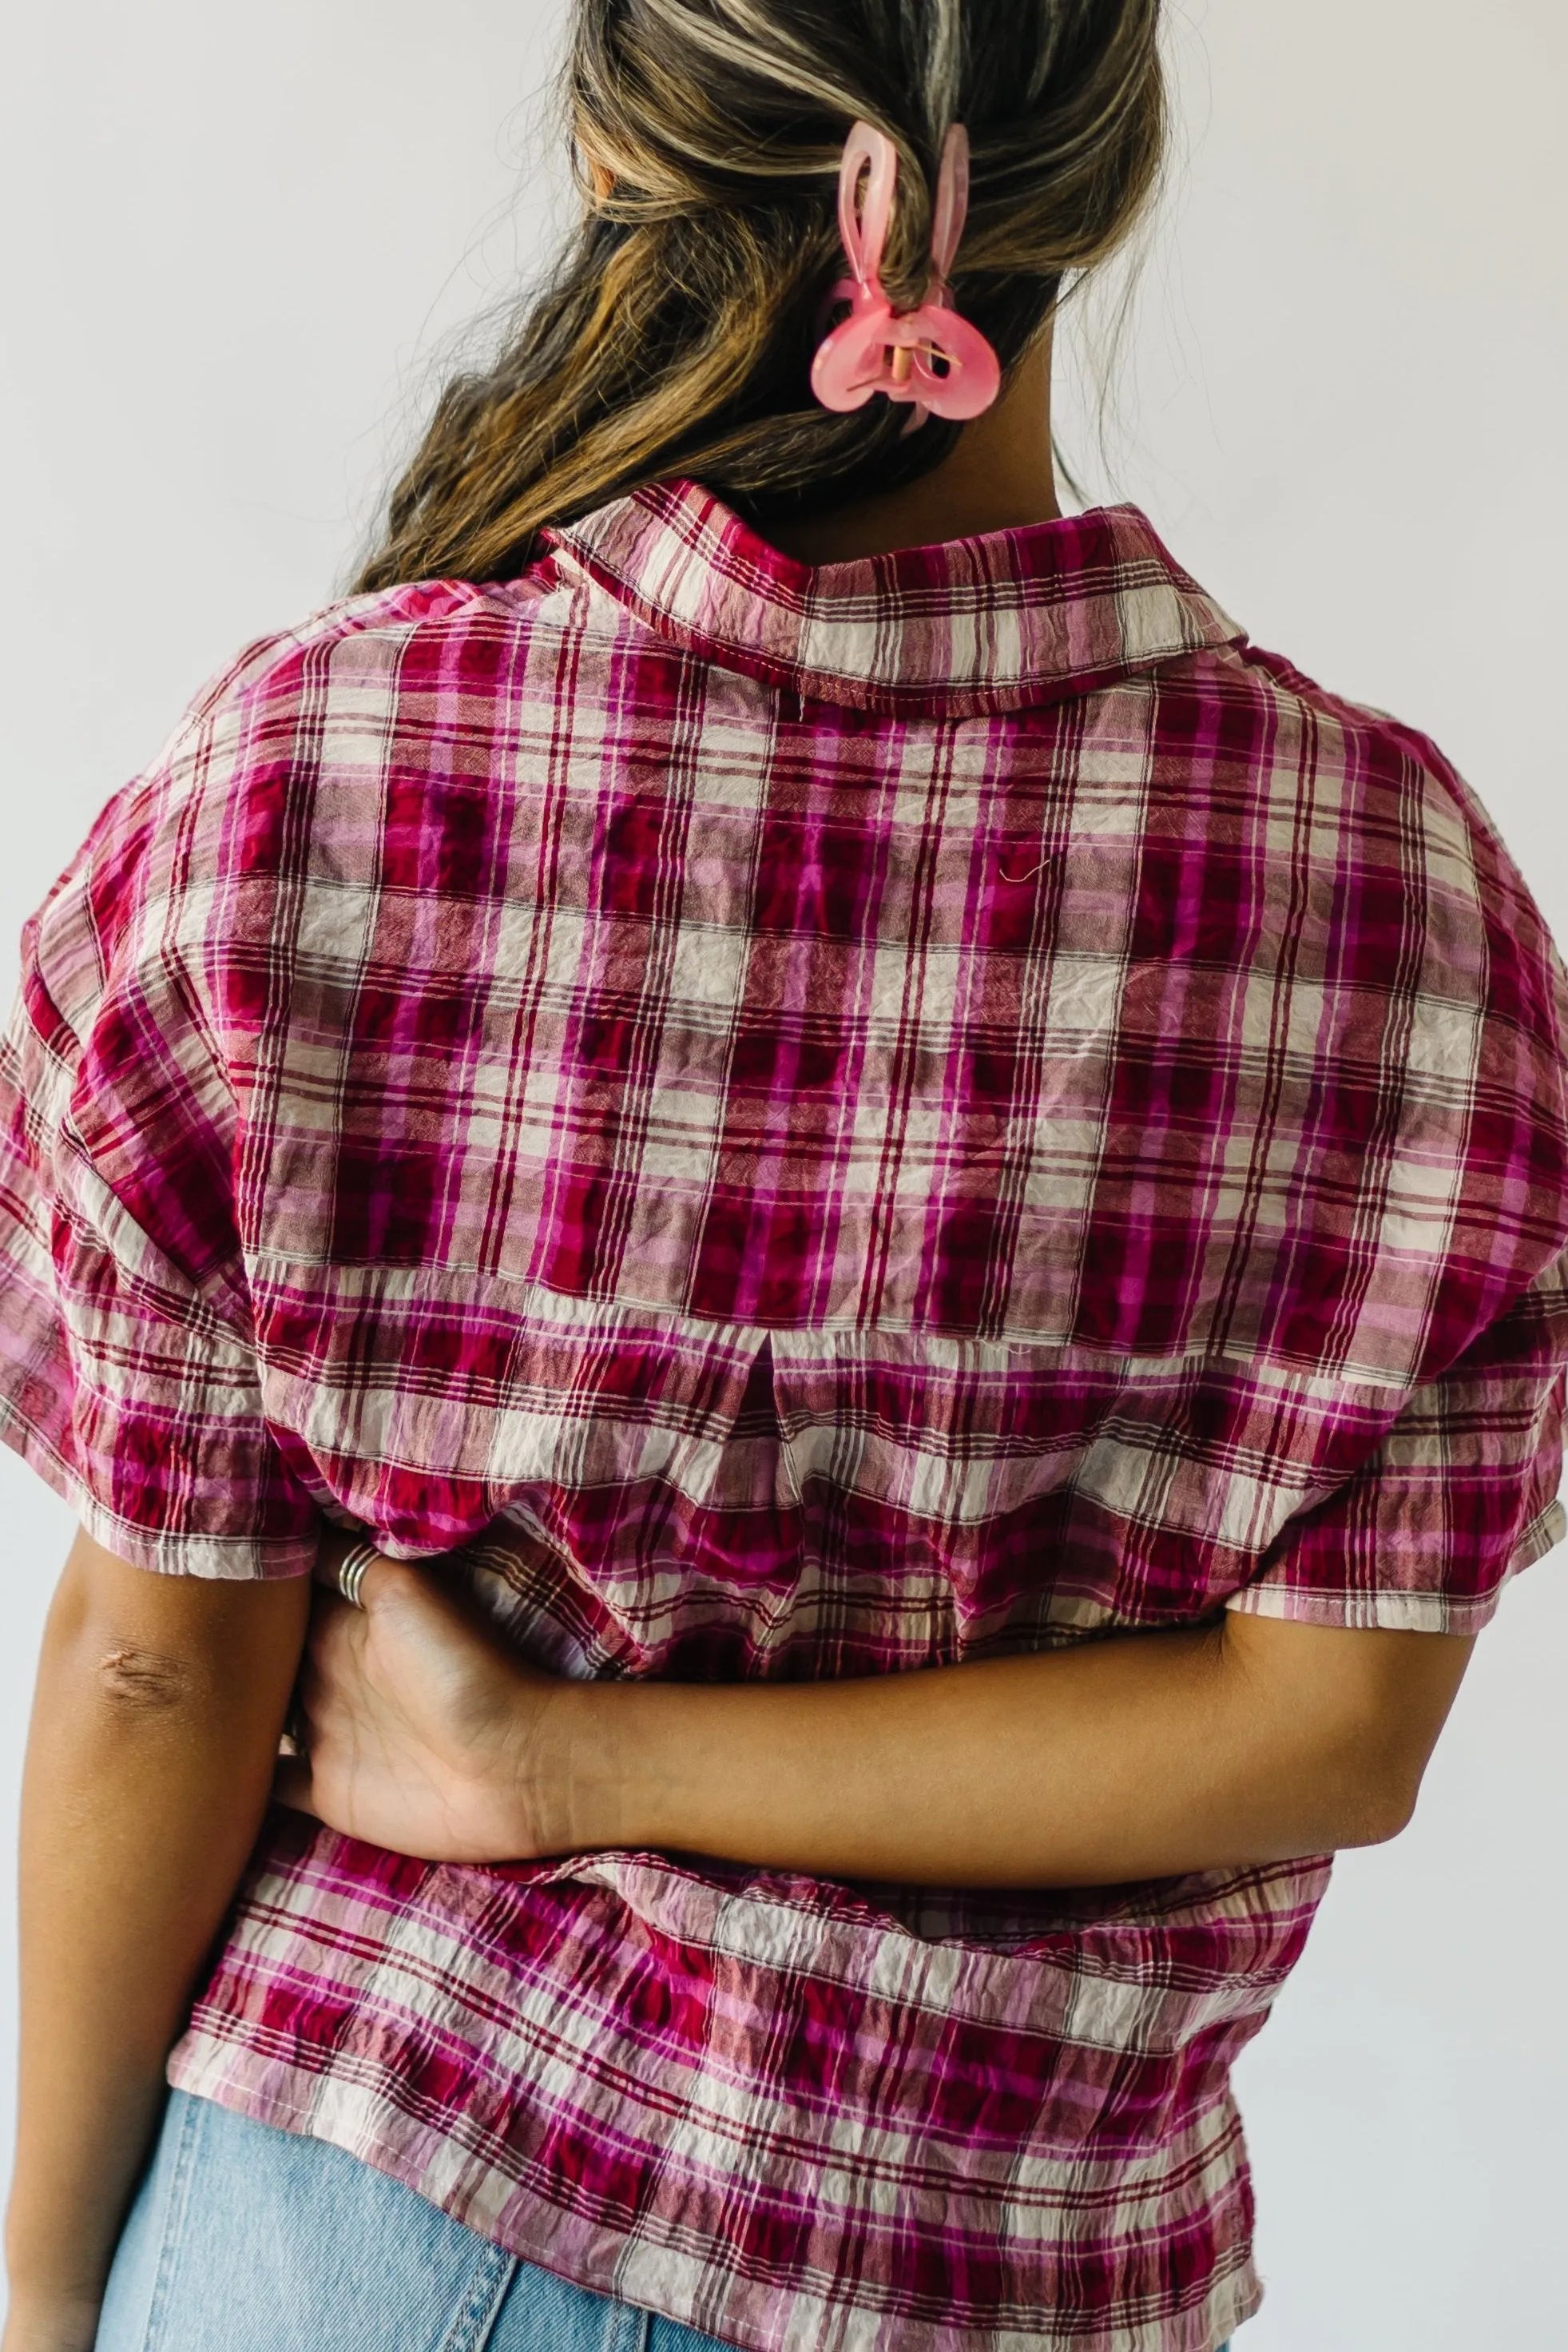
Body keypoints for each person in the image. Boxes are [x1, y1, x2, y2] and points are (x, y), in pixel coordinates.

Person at [2, 2, 1564, 2348]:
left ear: (636, 174)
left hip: (359, 2221)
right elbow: (1330, 1728)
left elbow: (155, 1664)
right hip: (1009, 2257)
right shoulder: (1406, 903)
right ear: (1094, 184)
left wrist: (41, 2291)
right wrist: (556, 1765)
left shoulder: (304, 791)